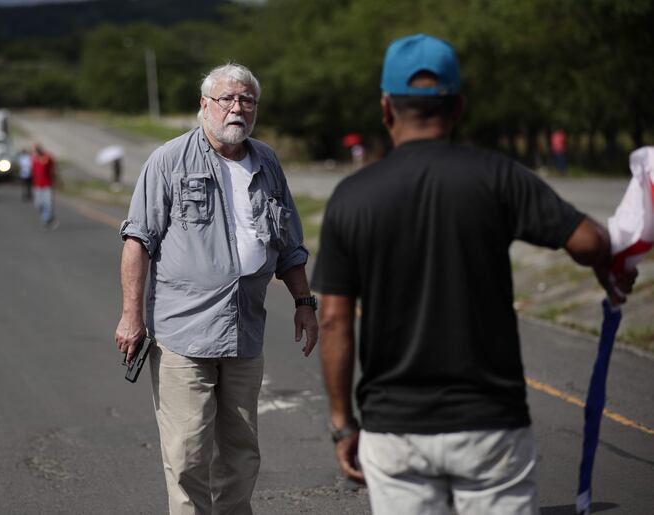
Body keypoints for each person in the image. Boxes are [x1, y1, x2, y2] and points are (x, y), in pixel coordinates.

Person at [311, 33, 638, 515]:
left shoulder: (351, 197)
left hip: (395, 428)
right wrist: (604, 264)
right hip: (490, 423)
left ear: (386, 109)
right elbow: (590, 241)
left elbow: (335, 320)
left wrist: (344, 423)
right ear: (458, 106)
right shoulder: (498, 176)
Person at [114, 63, 318, 515]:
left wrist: (304, 302)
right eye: (227, 99)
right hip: (183, 334)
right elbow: (137, 241)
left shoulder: (267, 162)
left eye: (247, 100)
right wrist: (131, 315)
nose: (237, 108)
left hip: (245, 331)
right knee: (188, 454)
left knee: (241, 452)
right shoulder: (169, 160)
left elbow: (290, 243)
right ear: (204, 105)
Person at [31, 143, 57, 229]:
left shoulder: (47, 158)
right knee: (39, 204)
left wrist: (56, 180)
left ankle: (46, 220)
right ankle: (49, 217)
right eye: (36, 149)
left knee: (48, 203)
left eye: (38, 149)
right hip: (37, 186)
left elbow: (53, 168)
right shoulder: (33, 158)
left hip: (47, 185)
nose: (37, 151)